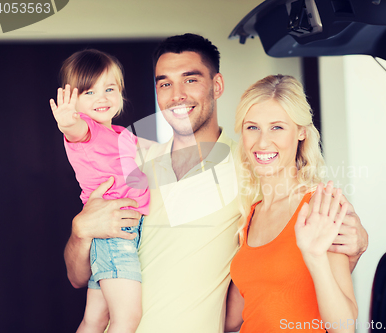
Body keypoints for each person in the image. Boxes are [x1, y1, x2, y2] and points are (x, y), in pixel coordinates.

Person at [63, 34, 368, 333]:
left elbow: (305, 218)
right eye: (165, 83)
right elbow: (79, 277)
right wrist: (81, 231)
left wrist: (355, 244)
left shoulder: (252, 165)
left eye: (190, 79)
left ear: (217, 85)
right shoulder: (132, 162)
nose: (177, 94)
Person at [226, 75, 358, 332]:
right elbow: (236, 317)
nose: (262, 142)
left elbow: (345, 327)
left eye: (277, 127)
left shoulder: (321, 207)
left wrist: (315, 256)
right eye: (252, 127)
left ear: (301, 132)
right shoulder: (250, 214)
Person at [51, 49, 150, 332]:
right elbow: (73, 130)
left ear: (121, 92)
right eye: (89, 92)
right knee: (127, 318)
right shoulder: (87, 132)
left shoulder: (121, 133)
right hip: (114, 236)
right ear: (74, 100)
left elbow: (159, 151)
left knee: (95, 320)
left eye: (109, 88)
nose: (102, 98)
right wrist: (68, 121)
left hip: (121, 233)